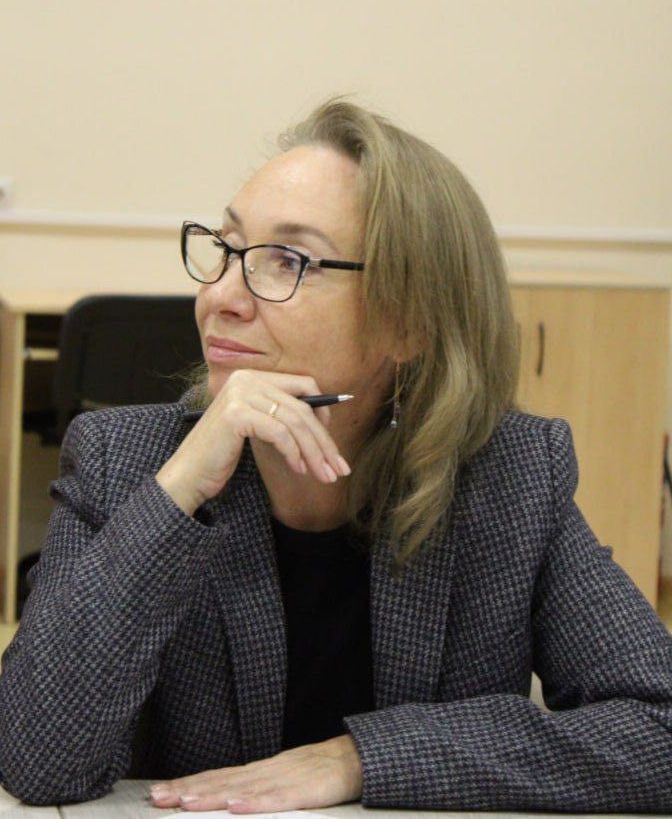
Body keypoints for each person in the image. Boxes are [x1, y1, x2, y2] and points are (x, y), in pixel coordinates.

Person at [1, 98, 672, 814]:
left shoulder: (509, 475)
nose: (219, 297)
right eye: (227, 248)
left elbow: (658, 728)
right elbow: (37, 761)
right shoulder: (127, 462)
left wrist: (361, 758)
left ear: (408, 321)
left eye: (287, 261)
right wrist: (181, 491)